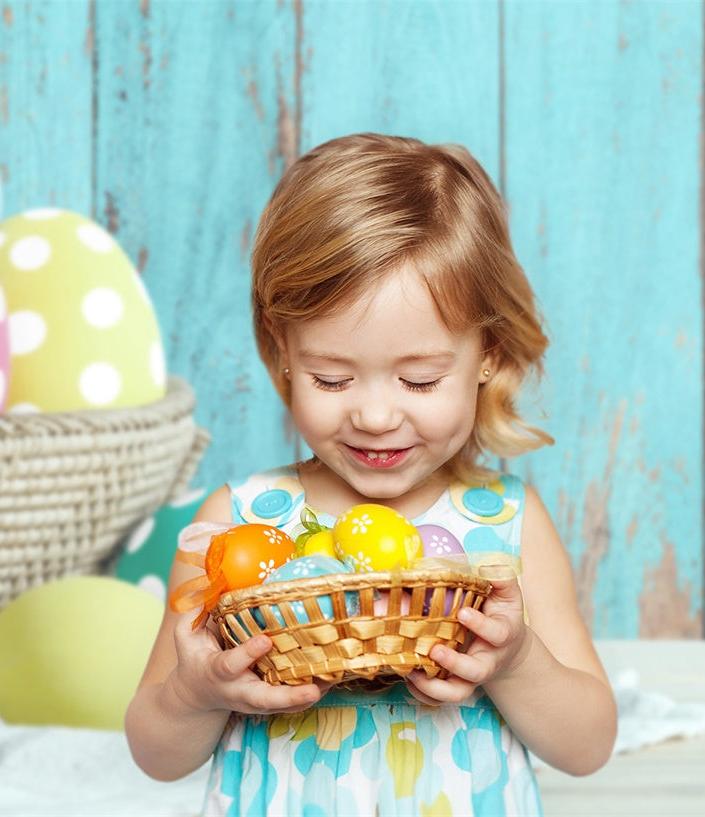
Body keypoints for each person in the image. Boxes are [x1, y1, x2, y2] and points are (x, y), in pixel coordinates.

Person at [125, 133, 617, 815]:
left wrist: (516, 662)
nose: (376, 415)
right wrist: (196, 692)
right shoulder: (239, 522)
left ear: (487, 352)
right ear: (283, 348)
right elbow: (154, 752)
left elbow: (589, 743)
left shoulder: (504, 521)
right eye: (332, 377)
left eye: (419, 379)